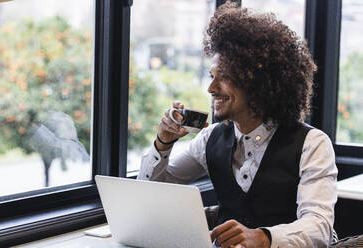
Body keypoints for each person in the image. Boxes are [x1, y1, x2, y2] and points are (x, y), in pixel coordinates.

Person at [137, 2, 338, 248]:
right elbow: (151, 194)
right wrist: (163, 143)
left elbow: (319, 226)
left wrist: (264, 237)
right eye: (212, 76)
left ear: (258, 82)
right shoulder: (209, 138)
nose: (211, 88)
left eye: (225, 77)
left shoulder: (312, 144)